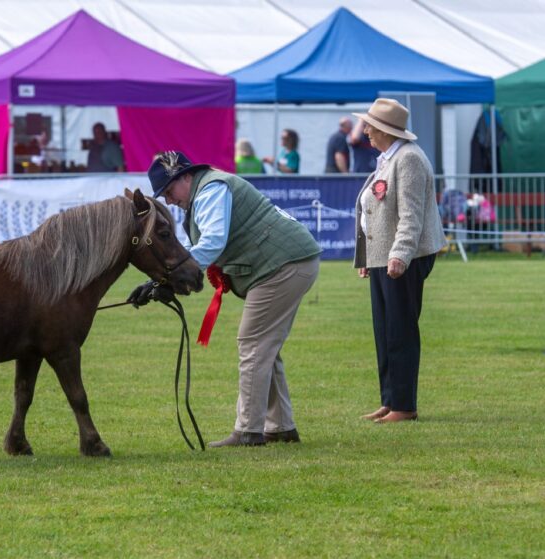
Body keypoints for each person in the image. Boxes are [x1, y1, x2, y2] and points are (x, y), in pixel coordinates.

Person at [131, 151, 321, 447]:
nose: (168, 200)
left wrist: (163, 278)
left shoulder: (210, 190)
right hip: (292, 262)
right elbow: (198, 249)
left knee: (253, 343)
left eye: (169, 191)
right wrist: (161, 279)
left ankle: (248, 431)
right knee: (264, 347)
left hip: (284, 265)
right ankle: (281, 426)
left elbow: (211, 243)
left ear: (185, 177)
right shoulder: (206, 190)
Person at [352, 98, 446, 424]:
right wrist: (369, 256)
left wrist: (399, 254)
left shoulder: (408, 160)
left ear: (385, 130)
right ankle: (390, 400)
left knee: (400, 330)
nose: (365, 130)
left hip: (403, 257)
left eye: (370, 126)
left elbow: (411, 215)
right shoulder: (389, 158)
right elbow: (373, 210)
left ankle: (404, 406)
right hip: (384, 257)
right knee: (384, 330)